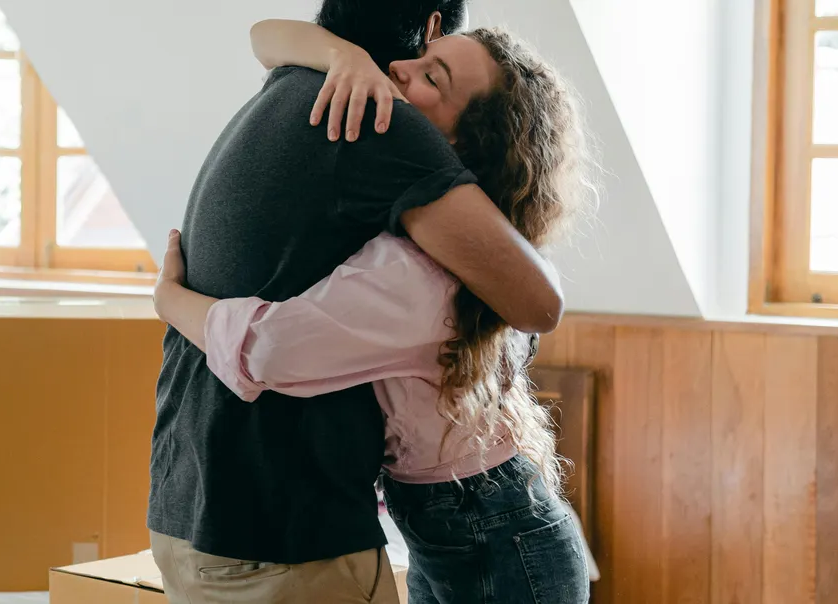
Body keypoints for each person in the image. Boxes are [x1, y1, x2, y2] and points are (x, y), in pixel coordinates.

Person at [153, 23, 594, 604]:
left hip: (495, 536)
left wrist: (168, 299)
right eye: (420, 58)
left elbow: (271, 350)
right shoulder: (465, 241)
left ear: (463, 144)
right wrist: (343, 54)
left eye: (431, 76)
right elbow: (263, 37)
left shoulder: (417, 273)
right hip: (469, 524)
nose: (400, 70)